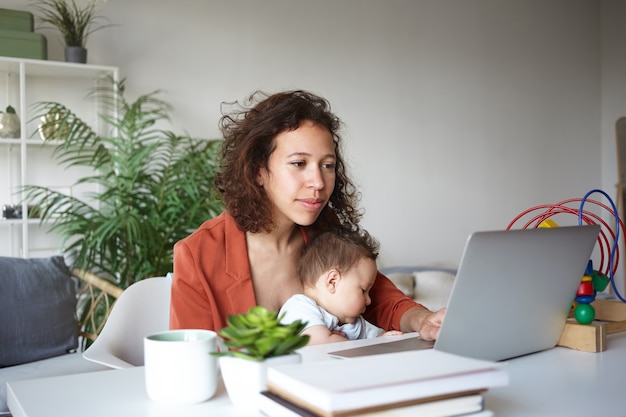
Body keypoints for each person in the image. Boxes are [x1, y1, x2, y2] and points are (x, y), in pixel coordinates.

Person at [169, 90, 445, 340]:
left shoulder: (326, 231)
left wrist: (422, 321)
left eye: (327, 165)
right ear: (258, 171)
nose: (318, 182)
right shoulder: (198, 255)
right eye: (298, 163)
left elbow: (379, 297)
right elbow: (187, 361)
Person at [279, 228, 403, 344]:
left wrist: (382, 340)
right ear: (332, 281)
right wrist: (356, 346)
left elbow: (375, 343)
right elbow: (320, 344)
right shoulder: (300, 307)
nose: (369, 301)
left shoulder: (356, 324)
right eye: (364, 290)